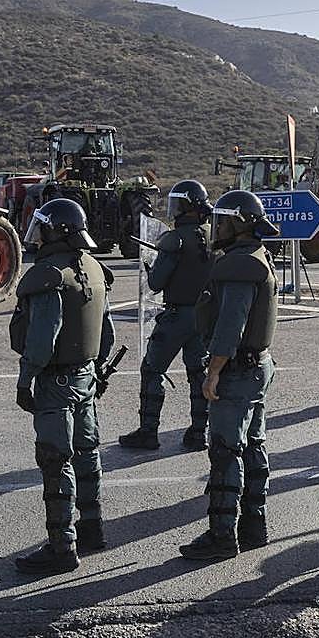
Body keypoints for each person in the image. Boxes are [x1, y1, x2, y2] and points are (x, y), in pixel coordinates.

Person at [10, 198, 115, 575]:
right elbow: (106, 332)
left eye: (44, 226)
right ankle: (93, 528)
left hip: (55, 381)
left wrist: (25, 379)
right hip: (86, 375)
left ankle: (61, 546)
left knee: (56, 461)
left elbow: (42, 338)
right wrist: (97, 368)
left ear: (57, 231)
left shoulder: (48, 274)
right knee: (88, 454)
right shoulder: (94, 269)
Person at [180, 190, 279, 560]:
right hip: (258, 366)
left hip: (237, 370)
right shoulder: (256, 257)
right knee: (253, 446)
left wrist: (214, 371)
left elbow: (230, 325)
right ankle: (255, 526)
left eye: (221, 220)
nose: (215, 227)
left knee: (225, 451)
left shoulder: (238, 264)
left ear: (237, 223)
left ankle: (222, 535)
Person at [119, 180, 213, 451]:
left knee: (152, 370)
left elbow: (157, 283)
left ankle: (148, 432)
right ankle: (199, 432)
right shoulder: (211, 235)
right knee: (198, 373)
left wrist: (151, 266)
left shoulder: (175, 239)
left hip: (176, 318)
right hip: (203, 316)